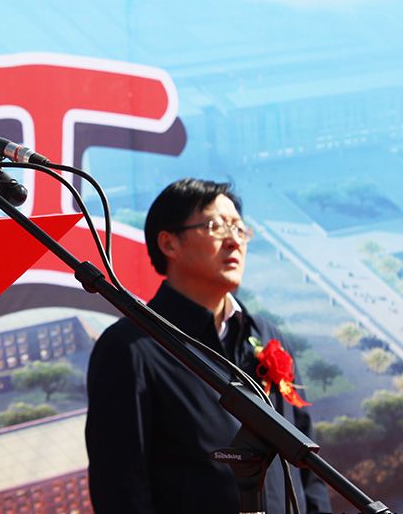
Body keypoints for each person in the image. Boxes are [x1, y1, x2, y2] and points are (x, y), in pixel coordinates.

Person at [85, 178, 330, 513]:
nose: (234, 240)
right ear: (169, 243)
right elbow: (120, 487)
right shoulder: (130, 348)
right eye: (216, 226)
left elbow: (307, 461)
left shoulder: (266, 334)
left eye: (239, 228)